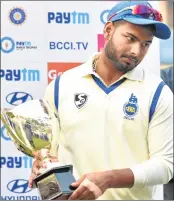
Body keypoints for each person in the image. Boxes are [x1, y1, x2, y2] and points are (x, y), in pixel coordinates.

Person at [29, 1, 173, 200]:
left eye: (145, 44)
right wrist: (42, 167)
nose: (136, 51)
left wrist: (110, 178)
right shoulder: (61, 85)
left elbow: (165, 166)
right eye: (130, 38)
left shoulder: (158, 92)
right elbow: (50, 156)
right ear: (108, 30)